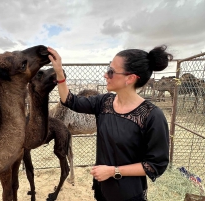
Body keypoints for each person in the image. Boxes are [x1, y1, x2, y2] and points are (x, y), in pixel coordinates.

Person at [47, 45, 172, 201]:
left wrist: (114, 171)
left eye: (111, 72)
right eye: (108, 69)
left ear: (130, 78)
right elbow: (70, 101)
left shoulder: (152, 116)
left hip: (128, 194)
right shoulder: (104, 102)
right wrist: (59, 71)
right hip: (102, 188)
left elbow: (155, 165)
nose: (105, 75)